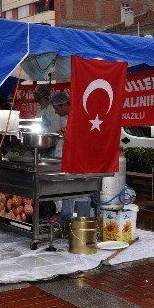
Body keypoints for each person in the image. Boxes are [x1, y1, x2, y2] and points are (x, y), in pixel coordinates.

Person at [50, 92, 92, 221]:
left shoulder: (79, 115)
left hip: (81, 161)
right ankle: (67, 223)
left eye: (57, 109)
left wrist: (67, 134)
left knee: (82, 194)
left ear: (63, 105)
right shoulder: (69, 116)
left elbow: (83, 138)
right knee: (68, 191)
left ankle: (83, 226)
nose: (56, 113)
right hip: (71, 161)